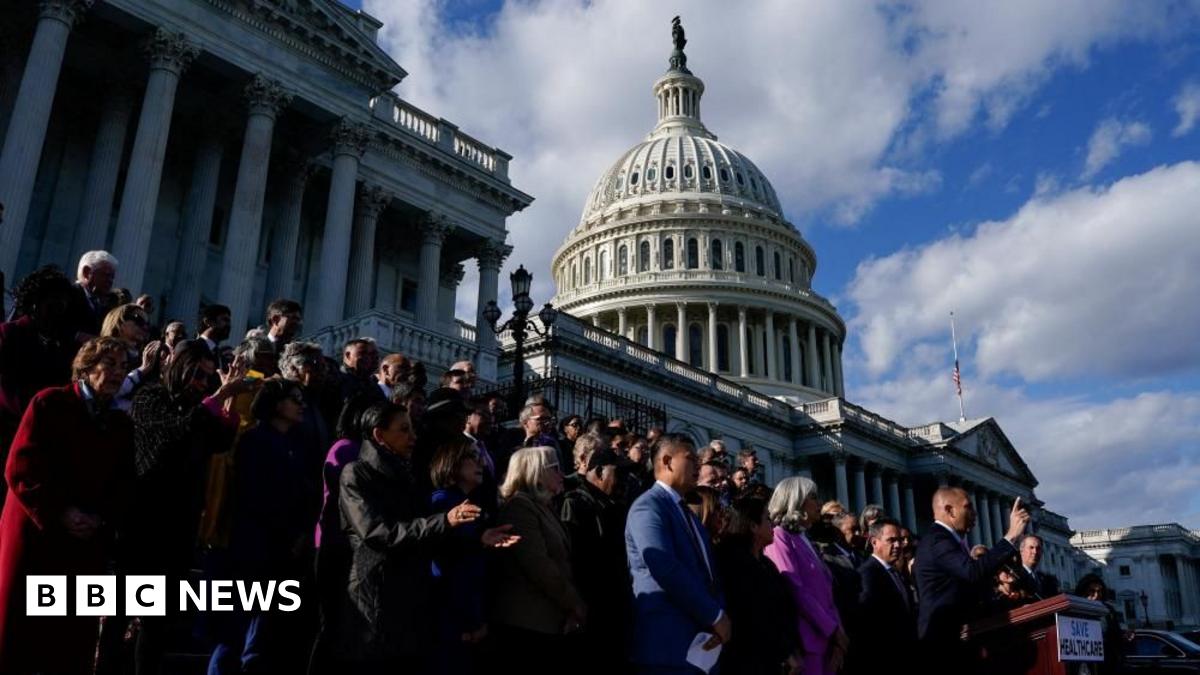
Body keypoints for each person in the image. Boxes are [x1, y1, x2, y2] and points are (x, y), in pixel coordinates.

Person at [337, 402, 516, 673]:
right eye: (404, 430)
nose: (413, 437)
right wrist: (445, 520)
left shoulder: (407, 475)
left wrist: (478, 537)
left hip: (412, 597)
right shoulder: (357, 473)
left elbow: (428, 534)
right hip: (376, 593)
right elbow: (376, 533)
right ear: (379, 435)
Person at [0, 338, 134, 674]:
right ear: (88, 367)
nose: (119, 372)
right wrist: (61, 511)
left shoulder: (119, 424)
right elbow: (21, 467)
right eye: (111, 363)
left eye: (123, 365)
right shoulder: (50, 403)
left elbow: (122, 483)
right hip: (37, 534)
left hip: (84, 543)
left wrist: (100, 519)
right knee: (19, 636)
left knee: (69, 643)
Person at [122, 341, 250, 672]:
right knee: (120, 619)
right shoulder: (152, 397)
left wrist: (228, 396)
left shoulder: (199, 407)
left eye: (208, 377)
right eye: (198, 374)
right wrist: (218, 397)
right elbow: (174, 434)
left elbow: (220, 439)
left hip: (180, 525)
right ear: (180, 366)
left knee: (157, 623)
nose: (202, 383)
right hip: (143, 524)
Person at [210, 380, 312, 673]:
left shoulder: (294, 444)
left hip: (281, 552)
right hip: (254, 550)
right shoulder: (254, 440)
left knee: (262, 637)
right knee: (236, 634)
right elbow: (255, 495)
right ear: (276, 404)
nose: (300, 404)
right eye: (294, 399)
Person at [625, 433, 729, 674]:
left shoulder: (688, 515)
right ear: (667, 461)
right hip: (667, 645)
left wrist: (719, 617)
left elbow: (710, 575)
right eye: (690, 458)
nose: (698, 465)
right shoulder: (647, 507)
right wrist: (714, 615)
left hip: (702, 645)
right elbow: (664, 567)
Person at [915, 488, 1030, 674]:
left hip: (960, 640)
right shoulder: (938, 540)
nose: (974, 513)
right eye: (968, 507)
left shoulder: (949, 541)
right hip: (942, 644)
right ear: (950, 510)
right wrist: (1011, 537)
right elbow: (972, 572)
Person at [492, 446, 583, 675]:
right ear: (535, 472)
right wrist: (574, 604)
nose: (562, 474)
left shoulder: (545, 507)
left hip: (549, 620)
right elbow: (539, 566)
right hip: (527, 623)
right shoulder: (520, 508)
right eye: (555, 468)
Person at [765, 476, 848, 675]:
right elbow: (795, 589)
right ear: (795, 500)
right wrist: (833, 630)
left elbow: (826, 592)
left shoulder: (804, 539)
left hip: (827, 641)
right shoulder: (779, 537)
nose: (819, 503)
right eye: (813, 497)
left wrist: (839, 635)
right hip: (806, 643)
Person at [559, 448, 630, 674]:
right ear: (599, 471)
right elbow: (576, 560)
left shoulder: (613, 506)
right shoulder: (576, 503)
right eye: (618, 473)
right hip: (591, 610)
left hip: (611, 610)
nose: (623, 482)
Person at [715, 496, 802, 675]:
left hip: (773, 659)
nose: (772, 525)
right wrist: (783, 651)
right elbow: (754, 615)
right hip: (747, 660)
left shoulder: (767, 564)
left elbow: (782, 609)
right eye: (767, 518)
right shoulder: (733, 563)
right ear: (753, 526)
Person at [0, 266, 75, 464]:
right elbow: (5, 386)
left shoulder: (60, 343)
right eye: (54, 298)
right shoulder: (9, 333)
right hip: (8, 428)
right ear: (35, 301)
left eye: (64, 299)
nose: (61, 304)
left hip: (40, 436)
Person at [429, 439, 490, 675]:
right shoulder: (442, 503)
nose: (481, 462)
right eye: (472, 457)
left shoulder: (466, 503)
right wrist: (468, 622)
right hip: (451, 621)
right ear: (453, 464)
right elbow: (449, 565)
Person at [857, 518, 916, 673]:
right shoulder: (868, 573)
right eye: (891, 540)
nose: (898, 545)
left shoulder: (894, 572)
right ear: (874, 542)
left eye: (899, 540)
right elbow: (868, 622)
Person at [1074, 574, 1126, 675]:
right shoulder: (1076, 610)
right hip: (1087, 663)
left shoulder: (1108, 610)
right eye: (1092, 591)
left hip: (1109, 661)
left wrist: (1124, 635)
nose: (1096, 595)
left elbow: (1116, 634)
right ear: (1083, 592)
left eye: (1099, 591)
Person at [66, 250, 118, 342]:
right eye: (105, 275)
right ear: (86, 272)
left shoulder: (108, 304)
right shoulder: (67, 295)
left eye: (112, 277)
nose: (110, 281)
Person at [1015, 534, 1060, 599]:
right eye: (1031, 547)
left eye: (1038, 548)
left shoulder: (1046, 580)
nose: (1035, 552)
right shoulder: (1014, 576)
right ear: (1021, 550)